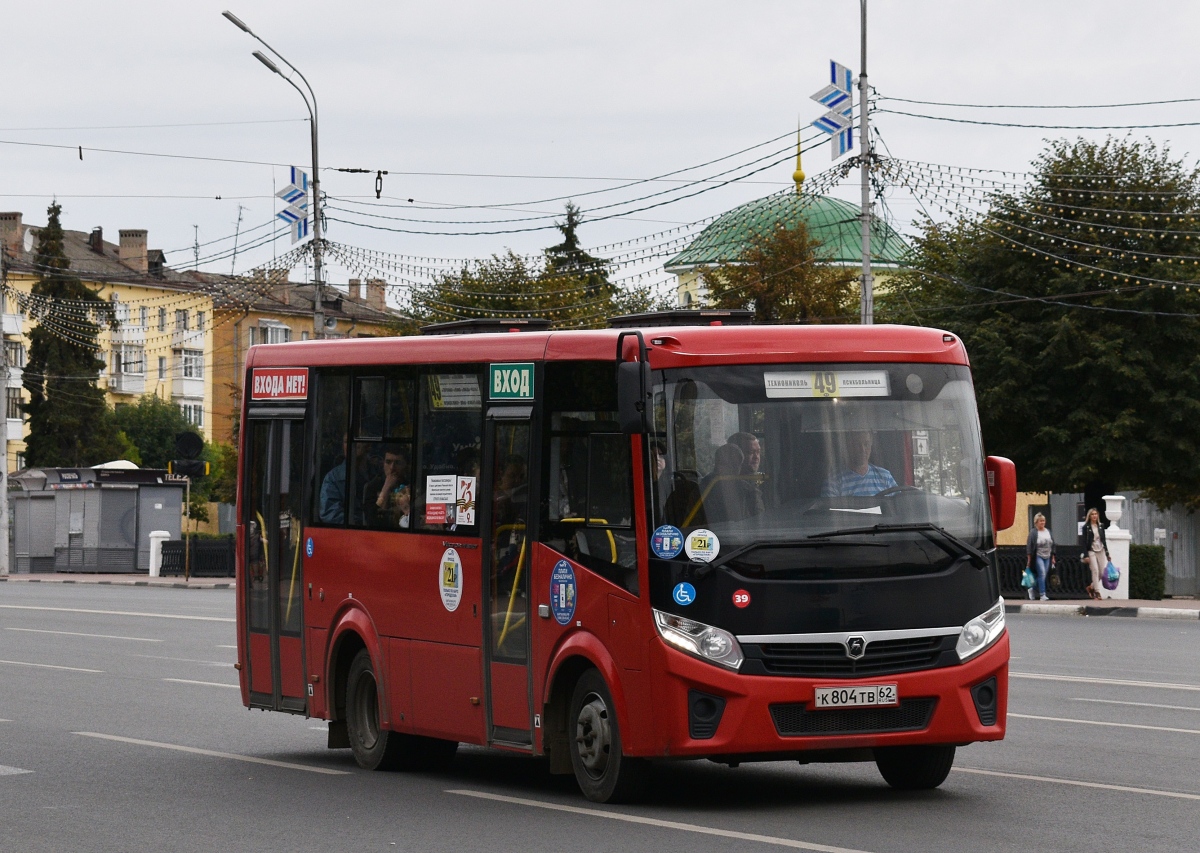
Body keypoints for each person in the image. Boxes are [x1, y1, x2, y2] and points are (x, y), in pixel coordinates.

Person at [821, 430, 898, 497]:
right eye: (856, 445)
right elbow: (829, 513)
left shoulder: (885, 477)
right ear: (847, 447)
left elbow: (900, 505)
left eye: (866, 444)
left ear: (871, 445)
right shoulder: (833, 482)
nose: (862, 450)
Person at [363, 447, 410, 528]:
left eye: (397, 463)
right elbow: (371, 520)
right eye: (388, 462)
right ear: (383, 464)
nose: (392, 468)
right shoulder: (372, 486)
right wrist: (385, 490)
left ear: (405, 465)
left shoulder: (410, 486)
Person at [318, 434, 349, 524]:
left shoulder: (375, 473)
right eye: (346, 441)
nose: (350, 445)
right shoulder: (333, 478)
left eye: (357, 440)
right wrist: (359, 523)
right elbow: (329, 514)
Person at [1081, 507, 1110, 600]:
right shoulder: (1086, 527)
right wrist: (1085, 555)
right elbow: (1084, 542)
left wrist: (1107, 553)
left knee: (1102, 573)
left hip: (1100, 550)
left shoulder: (1101, 526)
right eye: (1092, 514)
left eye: (1095, 514)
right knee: (1095, 570)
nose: (1094, 516)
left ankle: (1091, 587)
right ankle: (1097, 592)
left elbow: (1104, 540)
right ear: (1089, 516)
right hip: (1091, 550)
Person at [1025, 512, 1055, 601]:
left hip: (1048, 555)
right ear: (1036, 522)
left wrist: (1053, 557)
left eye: (1043, 521)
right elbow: (1029, 546)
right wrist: (1029, 559)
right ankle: (1042, 594)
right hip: (1038, 555)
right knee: (1041, 573)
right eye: (1040, 521)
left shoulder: (1048, 531)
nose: (1042, 523)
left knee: (1043, 575)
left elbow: (1053, 544)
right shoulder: (1033, 532)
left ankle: (1032, 589)